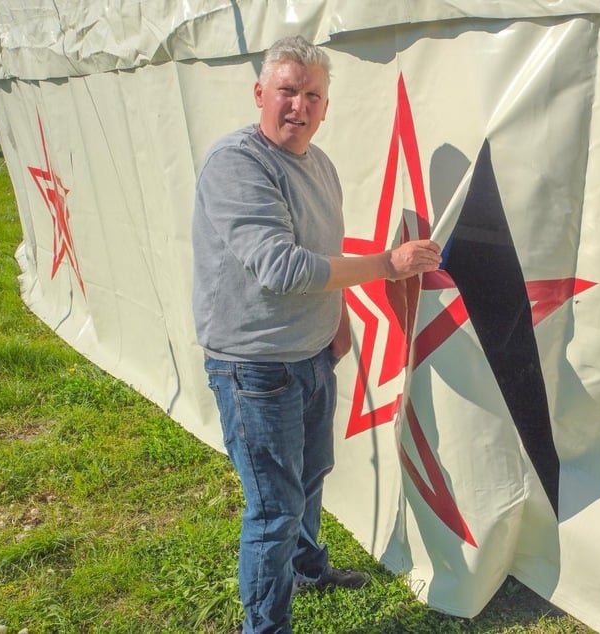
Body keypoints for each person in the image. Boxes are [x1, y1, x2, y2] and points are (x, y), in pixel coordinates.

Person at [190, 35, 441, 634]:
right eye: (286, 90)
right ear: (260, 94)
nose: (298, 105)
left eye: (312, 94)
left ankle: (307, 568)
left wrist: (339, 318)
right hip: (255, 366)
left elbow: (323, 255)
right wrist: (388, 265)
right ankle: (266, 626)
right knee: (274, 508)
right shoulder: (238, 164)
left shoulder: (319, 163)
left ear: (326, 106)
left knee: (310, 476)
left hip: (310, 355)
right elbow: (282, 267)